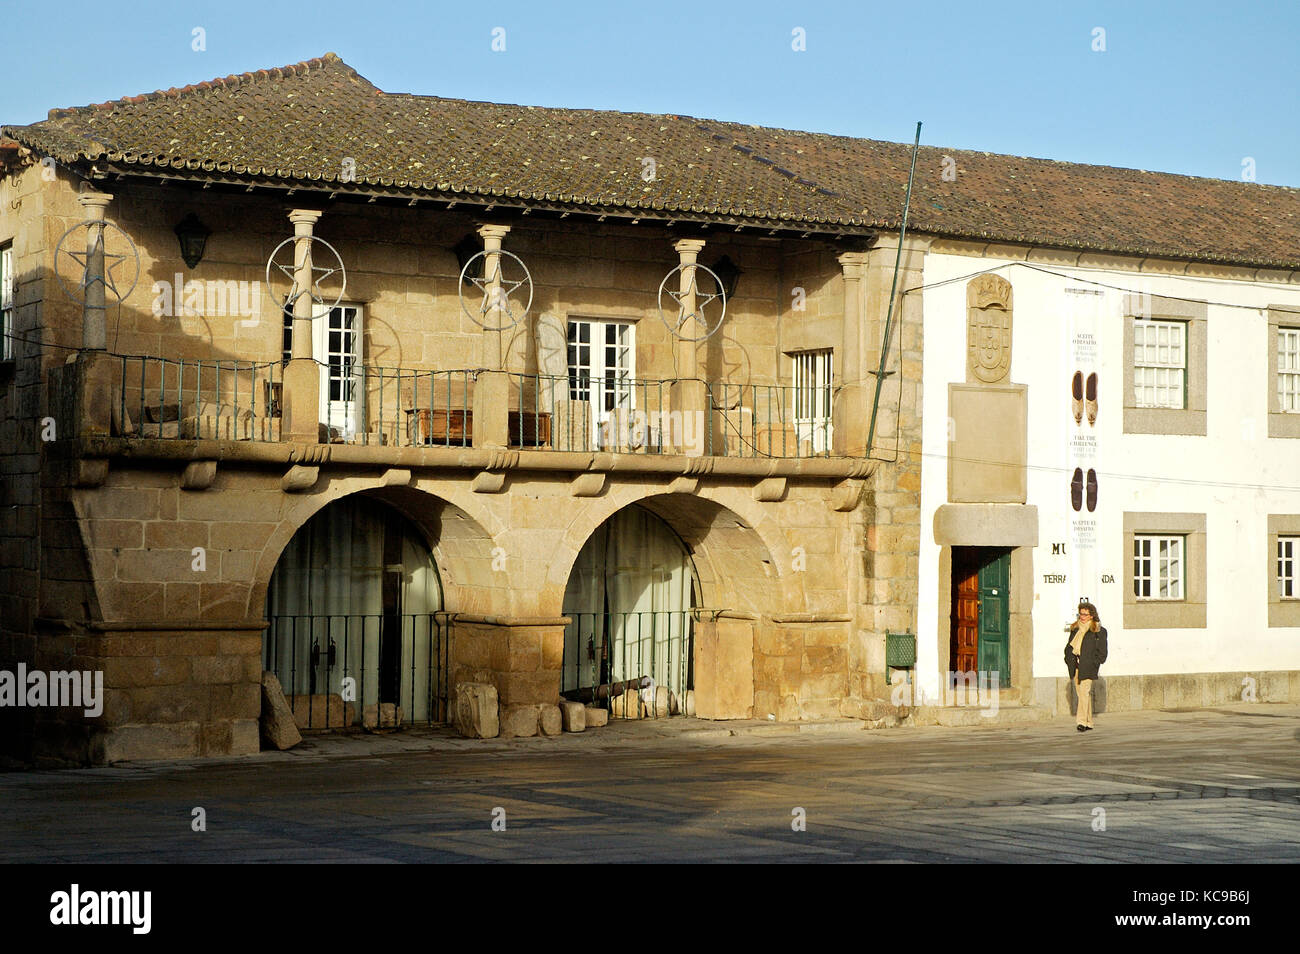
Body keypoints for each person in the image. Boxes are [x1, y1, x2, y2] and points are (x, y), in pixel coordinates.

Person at [1064, 599, 1107, 732]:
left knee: (1084, 693)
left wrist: (1095, 663)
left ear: (1091, 616)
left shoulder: (1098, 631)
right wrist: (1068, 658)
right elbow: (1069, 646)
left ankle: (1081, 722)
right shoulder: (1075, 628)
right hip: (1075, 664)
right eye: (1080, 614)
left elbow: (1102, 652)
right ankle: (1089, 722)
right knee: (1082, 695)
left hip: (1088, 665)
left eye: (1085, 614)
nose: (1082, 617)